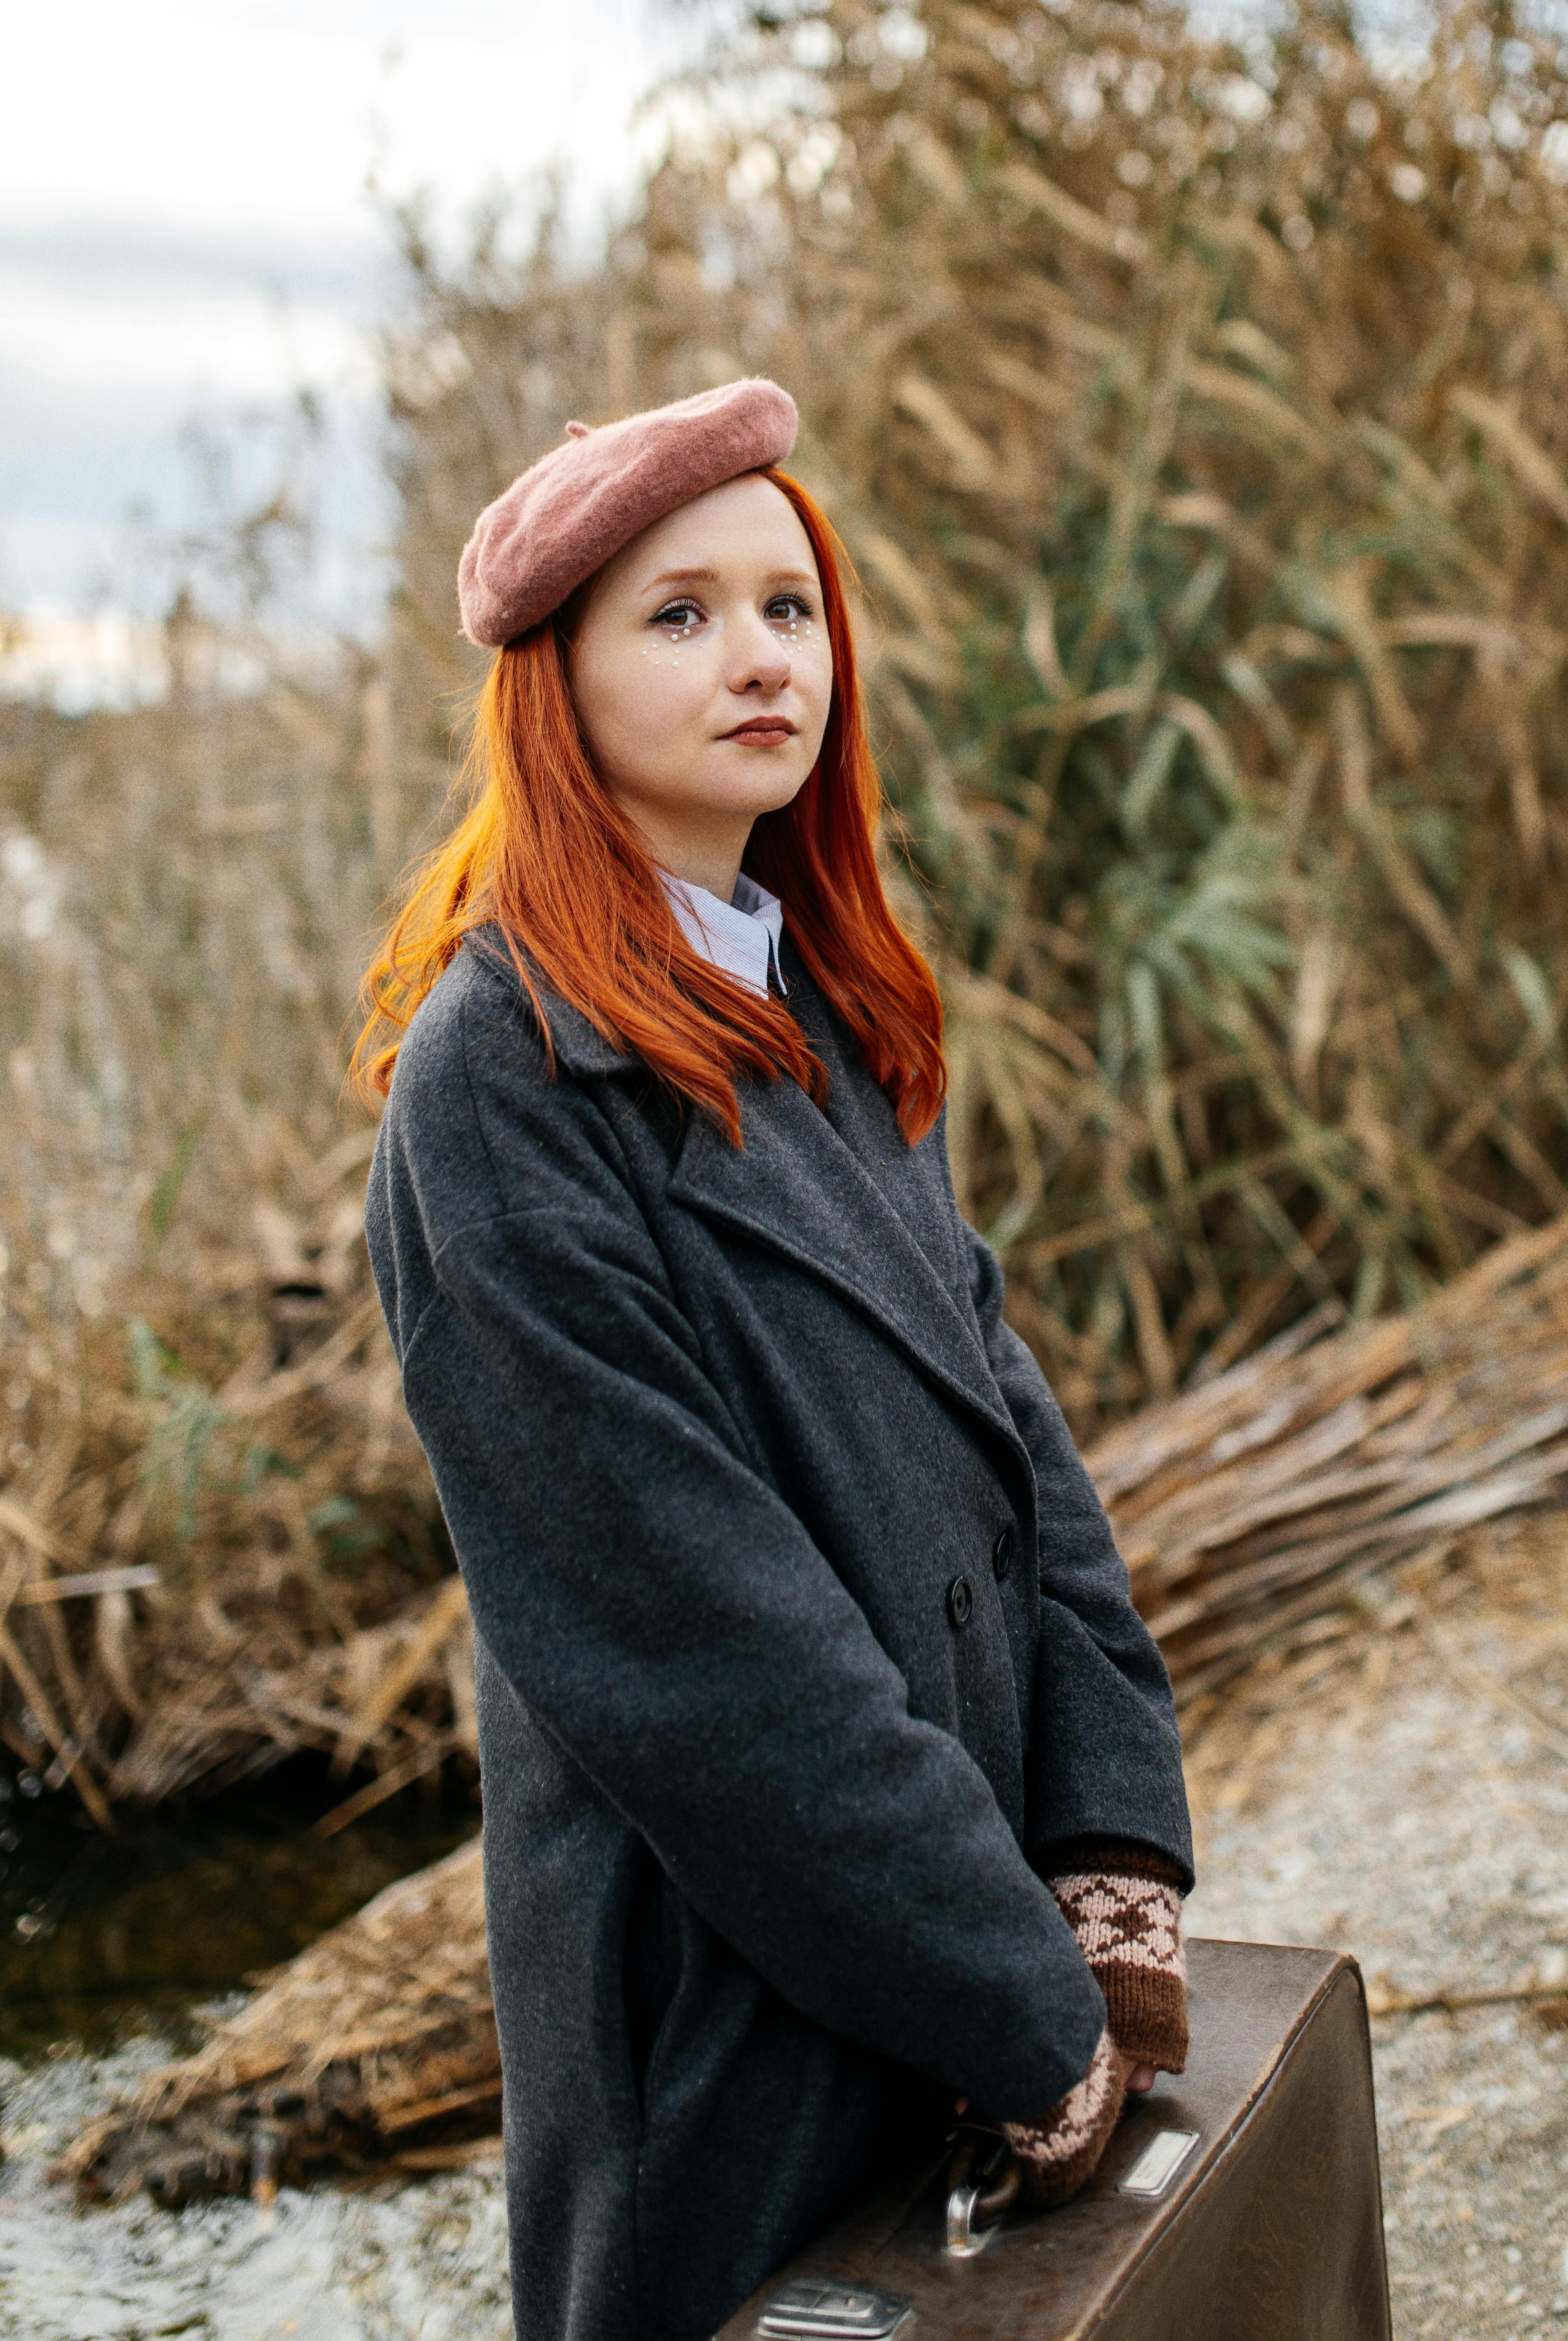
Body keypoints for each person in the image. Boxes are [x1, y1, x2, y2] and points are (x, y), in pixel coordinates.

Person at [359, 378, 1194, 2341]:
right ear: (551, 682)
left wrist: (1101, 1848)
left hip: (954, 1914)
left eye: (790, 607)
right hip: (730, 1993)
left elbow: (1011, 1436)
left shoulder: (803, 978)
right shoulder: (504, 1082)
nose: (760, 659)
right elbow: (693, 1645)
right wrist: (1006, 1991)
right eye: (679, 614)